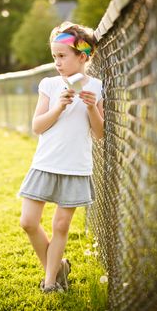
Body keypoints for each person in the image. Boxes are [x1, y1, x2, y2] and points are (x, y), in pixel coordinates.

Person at [18, 21, 104, 293]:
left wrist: (91, 108)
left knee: (61, 224)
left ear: (82, 56)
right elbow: (37, 126)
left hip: (76, 166)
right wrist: (58, 107)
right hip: (45, 163)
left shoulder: (97, 87)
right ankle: (58, 267)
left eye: (62, 56)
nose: (57, 62)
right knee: (28, 222)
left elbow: (100, 134)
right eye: (54, 56)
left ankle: (51, 282)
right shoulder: (50, 84)